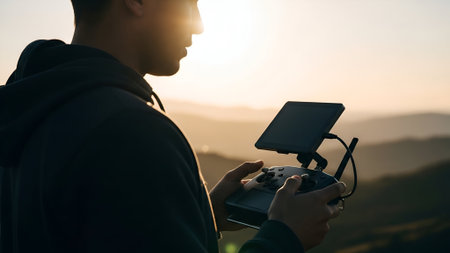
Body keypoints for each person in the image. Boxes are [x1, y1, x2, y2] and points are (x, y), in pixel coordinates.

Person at [0, 0, 346, 252]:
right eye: (189, 3)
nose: (198, 25)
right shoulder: (130, 129)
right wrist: (282, 238)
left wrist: (198, 213)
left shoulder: (32, 105)